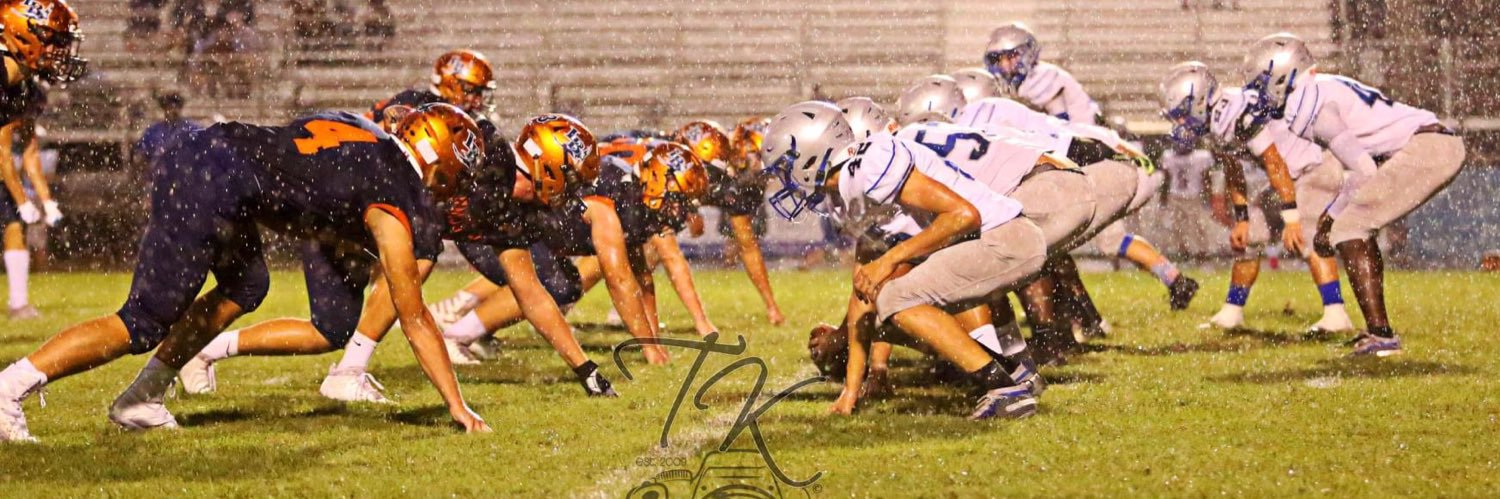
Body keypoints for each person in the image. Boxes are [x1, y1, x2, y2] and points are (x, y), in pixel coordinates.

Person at [0, 104, 494, 442]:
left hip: (212, 158)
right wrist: (457, 405)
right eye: (459, 173)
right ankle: (10, 388)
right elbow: (415, 317)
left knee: (247, 285)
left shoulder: (360, 129)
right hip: (211, 177)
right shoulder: (394, 195)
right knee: (142, 322)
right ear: (439, 161)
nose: (458, 186)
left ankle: (141, 399)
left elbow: (305, 149)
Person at [764, 101, 1047, 420]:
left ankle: (1003, 386)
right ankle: (1015, 374)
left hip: (1002, 237)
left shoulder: (870, 167)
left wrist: (892, 258)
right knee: (885, 309)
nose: (783, 179)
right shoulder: (847, 196)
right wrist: (851, 391)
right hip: (983, 244)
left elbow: (963, 215)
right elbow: (861, 302)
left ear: (811, 155)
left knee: (898, 298)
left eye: (785, 166)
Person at [1241, 33, 1464, 356]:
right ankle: (1378, 333)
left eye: (1262, 84)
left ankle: (1382, 337)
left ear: (1283, 77)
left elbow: (1362, 170)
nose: (1259, 94)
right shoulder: (1322, 86)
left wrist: (1330, 217)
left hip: (1428, 149)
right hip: (1431, 143)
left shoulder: (1311, 106)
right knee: (1351, 226)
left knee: (1349, 228)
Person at [986, 23, 1201, 311]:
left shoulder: (1043, 80)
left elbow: (1054, 130)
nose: (1005, 65)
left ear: (1028, 52)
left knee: (1074, 243)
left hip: (1104, 161)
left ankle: (1088, 316)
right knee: (1076, 243)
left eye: (1011, 56)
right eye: (998, 58)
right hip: (1097, 159)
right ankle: (1166, 284)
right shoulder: (1035, 81)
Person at [1159, 61, 1356, 334]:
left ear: (1200, 101)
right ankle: (1232, 313)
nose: (1179, 123)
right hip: (1287, 176)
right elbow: (1233, 170)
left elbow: (1274, 163)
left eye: (1181, 114)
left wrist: (1291, 218)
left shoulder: (1237, 115)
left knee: (1306, 236)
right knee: (1249, 236)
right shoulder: (1217, 120)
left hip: (1314, 166)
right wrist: (1241, 218)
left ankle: (1336, 314)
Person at [0, 0, 83, 320]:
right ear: (24, 33)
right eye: (55, 40)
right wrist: (24, 201)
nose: (60, 51)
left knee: (13, 226)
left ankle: (18, 302)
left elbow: (21, 150)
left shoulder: (18, 87)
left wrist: (44, 202)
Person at [677, 119, 785, 326]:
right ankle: (632, 302)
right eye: (758, 156)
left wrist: (771, 306)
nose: (762, 166)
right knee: (656, 241)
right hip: (665, 187)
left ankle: (771, 306)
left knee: (747, 240)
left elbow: (748, 246)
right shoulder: (710, 153)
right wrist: (690, 209)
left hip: (712, 184)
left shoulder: (741, 183)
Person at [133, 91, 203, 167]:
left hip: (186, 168)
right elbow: (141, 153)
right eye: (170, 107)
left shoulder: (191, 128)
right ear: (165, 109)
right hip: (160, 170)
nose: (173, 111)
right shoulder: (154, 131)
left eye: (176, 107)